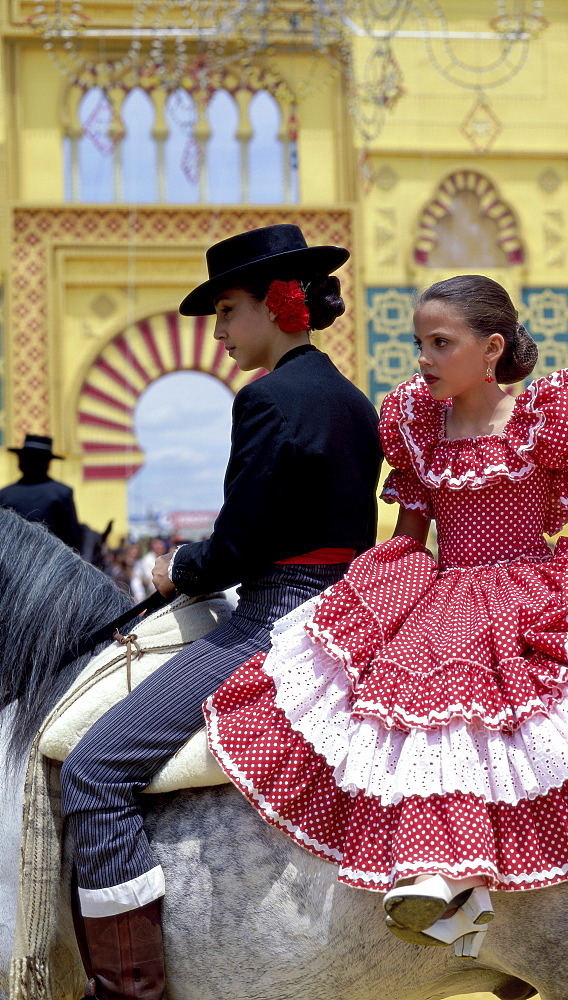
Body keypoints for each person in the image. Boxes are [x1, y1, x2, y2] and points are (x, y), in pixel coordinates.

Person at [203, 274, 568, 959]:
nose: (422, 356)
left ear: (491, 348)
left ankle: (480, 879)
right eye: (418, 342)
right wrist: (376, 599)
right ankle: (442, 878)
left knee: (519, 737)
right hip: (443, 593)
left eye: (439, 342)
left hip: (532, 591)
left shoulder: (545, 418)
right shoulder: (418, 425)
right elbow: (408, 531)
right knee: (422, 725)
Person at [60, 225, 383, 1000]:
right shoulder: (352, 399)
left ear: (274, 306)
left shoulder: (267, 398)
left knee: (93, 772)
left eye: (228, 311)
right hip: (351, 611)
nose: (220, 331)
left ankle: (130, 990)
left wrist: (182, 568)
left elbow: (240, 547)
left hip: (276, 617)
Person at [0, 434, 81, 549]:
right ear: (47, 464)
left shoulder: (5, 495)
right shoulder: (61, 492)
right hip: (53, 562)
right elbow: (73, 539)